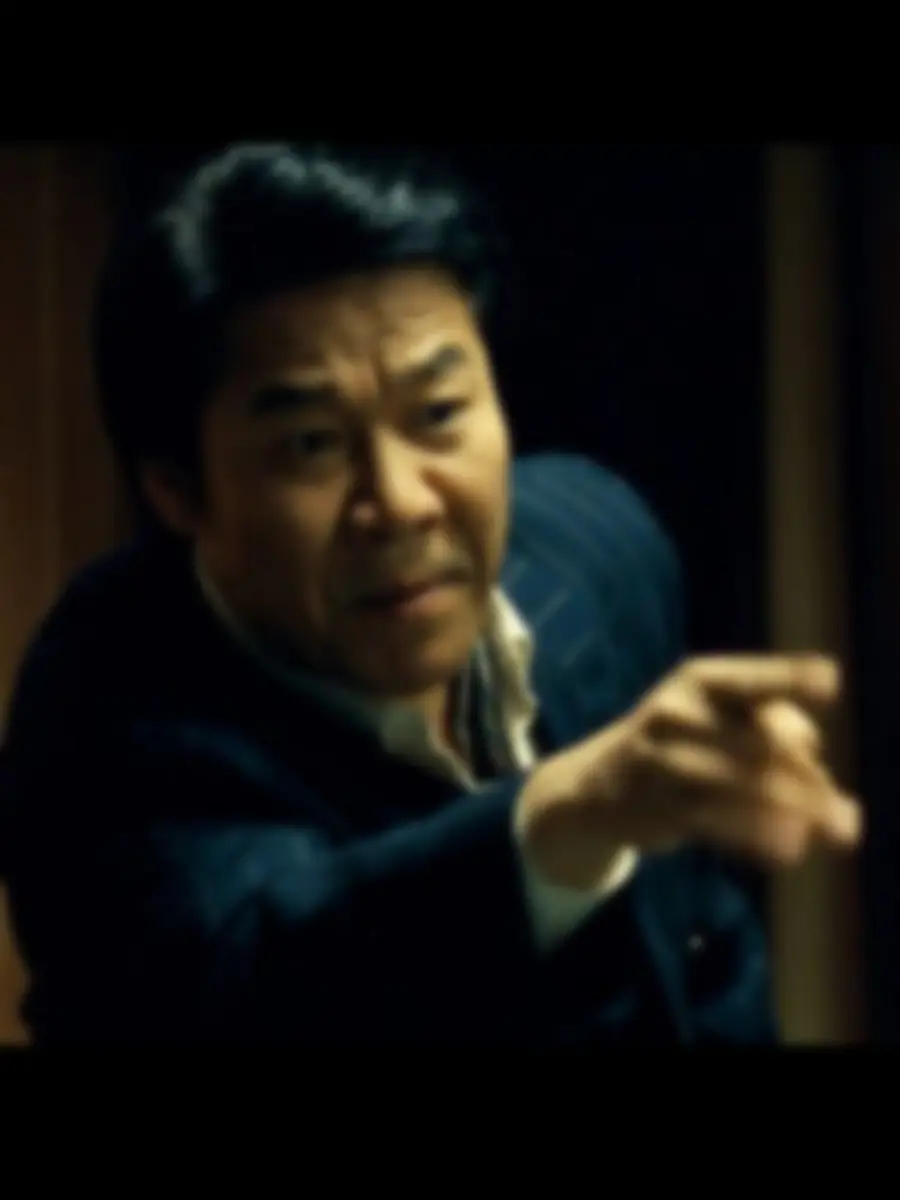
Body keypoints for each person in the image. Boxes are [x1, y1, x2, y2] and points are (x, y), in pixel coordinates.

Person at [0, 143, 861, 1044]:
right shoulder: (103, 696)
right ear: (176, 489)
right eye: (313, 445)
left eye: (439, 413)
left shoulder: (598, 550)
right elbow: (260, 977)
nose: (402, 502)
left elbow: (700, 951)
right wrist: (567, 815)